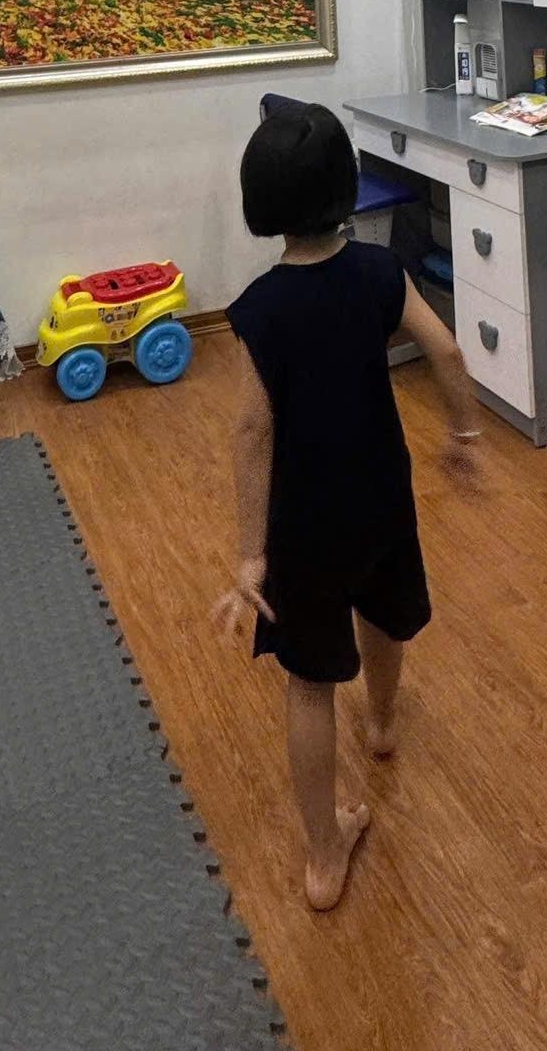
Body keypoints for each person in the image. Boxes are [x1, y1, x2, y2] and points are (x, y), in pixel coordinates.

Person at [215, 102, 481, 911]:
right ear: (347, 189)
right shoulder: (380, 273)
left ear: (261, 202)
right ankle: (384, 723)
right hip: (380, 497)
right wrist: (463, 431)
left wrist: (251, 554)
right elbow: (447, 349)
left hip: (303, 524)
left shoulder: (260, 308)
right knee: (385, 612)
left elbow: (252, 430)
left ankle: (325, 858)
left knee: (308, 685)